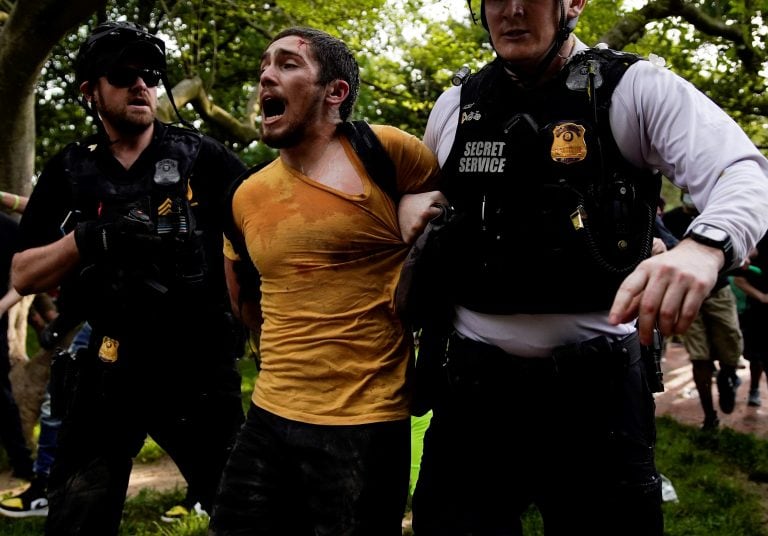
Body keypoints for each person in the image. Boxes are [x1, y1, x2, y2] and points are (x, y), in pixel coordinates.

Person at [409, 0, 768, 534]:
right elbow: (426, 191)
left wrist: (704, 246)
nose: (510, 10)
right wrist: (412, 199)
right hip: (473, 396)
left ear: (572, 4)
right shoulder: (455, 105)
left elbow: (742, 170)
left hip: (598, 398)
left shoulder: (636, 88)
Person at [11, 21, 247, 535]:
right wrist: (91, 237)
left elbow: (270, 220)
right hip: (110, 366)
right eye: (122, 75)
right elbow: (23, 273)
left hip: (200, 367)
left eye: (150, 74)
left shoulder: (200, 155)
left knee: (245, 513)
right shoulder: (70, 170)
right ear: (90, 92)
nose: (141, 84)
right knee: (77, 517)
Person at [208, 26, 441, 536]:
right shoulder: (244, 196)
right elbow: (242, 298)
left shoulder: (386, 152)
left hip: (366, 424)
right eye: (265, 65)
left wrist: (417, 204)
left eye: (289, 63)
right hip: (268, 414)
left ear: (335, 92)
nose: (267, 73)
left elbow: (450, 214)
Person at [663, 192, 744, 430]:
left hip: (718, 292)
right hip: (686, 296)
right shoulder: (670, 220)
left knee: (731, 346)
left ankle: (727, 376)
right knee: (700, 357)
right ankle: (710, 416)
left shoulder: (714, 217)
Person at [0, 211, 35, 484]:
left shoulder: (9, 229)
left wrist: (2, 306)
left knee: (2, 398)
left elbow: (33, 271)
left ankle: (22, 464)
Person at [732, 235, 768, 409]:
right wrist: (761, 297)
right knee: (757, 356)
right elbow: (739, 280)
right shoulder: (760, 237)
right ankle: (754, 389)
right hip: (757, 311)